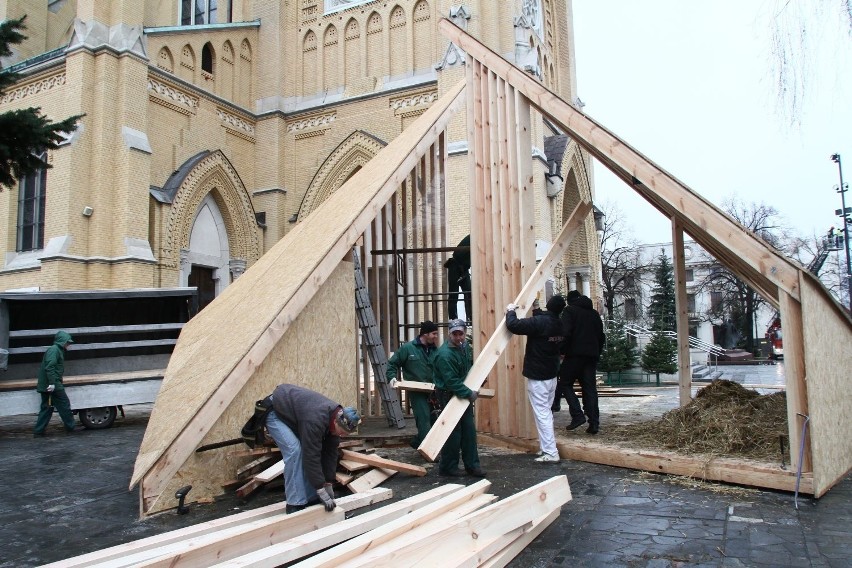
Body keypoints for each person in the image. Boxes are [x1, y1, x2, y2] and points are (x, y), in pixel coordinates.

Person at [264, 384, 361, 514]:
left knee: (310, 451)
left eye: (346, 434)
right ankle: (295, 503)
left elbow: (330, 454)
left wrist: (328, 482)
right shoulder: (315, 420)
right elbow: (311, 455)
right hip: (275, 411)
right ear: (335, 422)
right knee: (295, 451)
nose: (342, 435)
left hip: (295, 414)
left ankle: (311, 498)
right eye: (342, 432)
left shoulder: (335, 421)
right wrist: (320, 488)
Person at [505, 295, 566, 462]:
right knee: (546, 413)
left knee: (542, 414)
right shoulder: (559, 324)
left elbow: (514, 325)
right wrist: (535, 309)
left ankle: (551, 453)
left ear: (549, 305)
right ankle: (546, 448)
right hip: (551, 375)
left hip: (538, 376)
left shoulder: (541, 322)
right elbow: (541, 323)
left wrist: (510, 311)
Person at [432, 318, 486, 477]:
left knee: (469, 431)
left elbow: (466, 368)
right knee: (453, 433)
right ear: (450, 334)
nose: (458, 337)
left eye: (460, 334)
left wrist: (477, 379)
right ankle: (448, 467)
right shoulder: (445, 355)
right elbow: (451, 381)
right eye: (455, 334)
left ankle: (472, 466)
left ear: (465, 333)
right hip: (449, 394)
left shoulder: (464, 347)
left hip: (461, 392)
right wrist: (469, 393)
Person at [386, 320, 440, 448]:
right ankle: (428, 450)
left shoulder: (435, 350)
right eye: (434, 333)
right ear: (425, 334)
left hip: (433, 391)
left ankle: (417, 442)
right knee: (424, 420)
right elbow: (393, 363)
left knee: (435, 420)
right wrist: (391, 377)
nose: (436, 336)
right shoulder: (408, 348)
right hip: (417, 391)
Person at [559, 290, 606, 434]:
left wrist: (562, 350)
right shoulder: (594, 314)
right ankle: (594, 423)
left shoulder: (569, 311)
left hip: (574, 355)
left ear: (569, 301)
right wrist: (596, 353)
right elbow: (601, 336)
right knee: (589, 388)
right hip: (590, 357)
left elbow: (566, 333)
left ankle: (577, 415)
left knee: (565, 383)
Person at [33, 331, 77, 437]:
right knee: (64, 404)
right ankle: (70, 427)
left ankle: (39, 431)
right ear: (62, 342)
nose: (69, 345)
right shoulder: (55, 350)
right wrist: (52, 383)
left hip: (47, 385)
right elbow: (50, 367)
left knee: (47, 408)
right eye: (68, 342)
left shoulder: (56, 350)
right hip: (53, 385)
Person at [444, 235, 472, 321]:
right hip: (455, 266)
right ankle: (453, 319)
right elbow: (457, 254)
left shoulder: (476, 238)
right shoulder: (474, 237)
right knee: (454, 294)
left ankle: (470, 317)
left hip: (463, 268)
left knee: (469, 292)